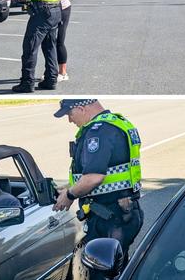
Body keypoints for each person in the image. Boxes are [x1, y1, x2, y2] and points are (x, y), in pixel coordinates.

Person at [52, 99, 143, 265]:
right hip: (125, 211)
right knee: (117, 266)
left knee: (102, 269)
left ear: (81, 108)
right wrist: (67, 188)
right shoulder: (117, 123)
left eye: (70, 114)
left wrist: (70, 195)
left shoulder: (98, 132)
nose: (70, 120)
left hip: (109, 218)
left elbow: (94, 177)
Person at [10, 0, 61, 93]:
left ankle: (27, 83)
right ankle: (51, 80)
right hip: (55, 10)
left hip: (42, 12)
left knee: (30, 48)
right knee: (50, 47)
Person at [42, 0, 71, 82]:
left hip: (62, 8)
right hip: (49, 9)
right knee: (49, 41)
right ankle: (50, 70)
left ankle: (63, 72)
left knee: (59, 40)